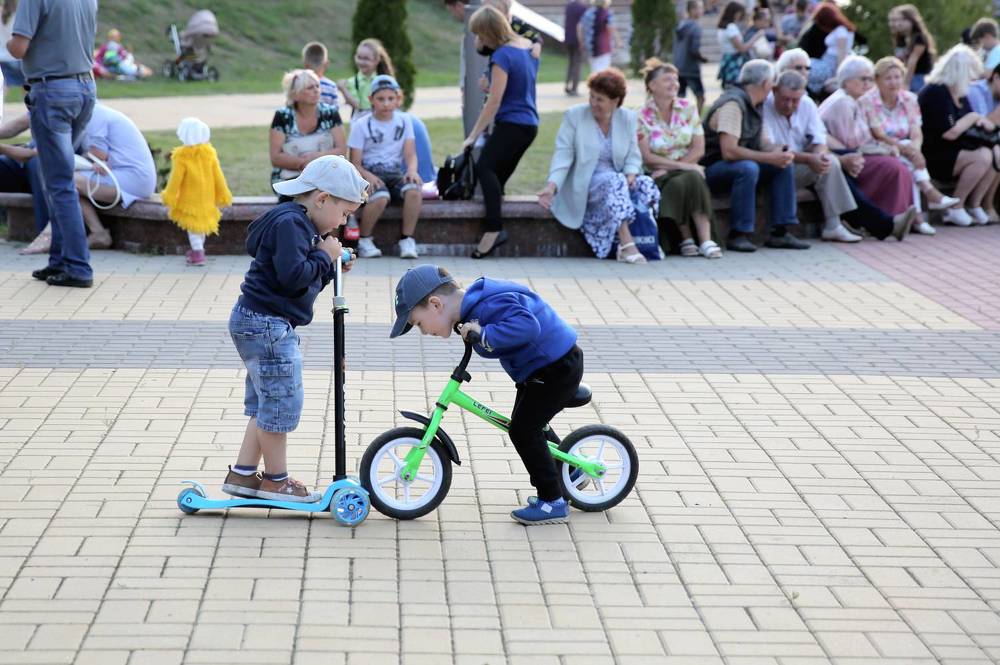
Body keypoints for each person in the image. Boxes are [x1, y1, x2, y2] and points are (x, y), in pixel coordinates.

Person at [389, 264, 582, 526]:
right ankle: (572, 472)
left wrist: (485, 333)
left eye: (419, 324)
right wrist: (478, 335)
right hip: (541, 369)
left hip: (556, 368)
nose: (424, 332)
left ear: (436, 304)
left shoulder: (488, 304)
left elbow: (528, 326)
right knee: (531, 423)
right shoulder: (474, 308)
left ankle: (552, 501)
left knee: (524, 430)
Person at [225, 155, 367, 504]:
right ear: (322, 199)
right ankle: (277, 481)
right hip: (267, 325)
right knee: (280, 402)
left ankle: (243, 474)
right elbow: (292, 277)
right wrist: (323, 256)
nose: (344, 222)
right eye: (344, 213)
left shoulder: (297, 224)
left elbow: (300, 283)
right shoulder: (292, 225)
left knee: (266, 401)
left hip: (262, 321)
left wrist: (327, 265)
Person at [765, 56, 917, 243]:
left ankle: (836, 225)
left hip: (805, 160)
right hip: (780, 165)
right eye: (785, 99)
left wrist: (820, 155)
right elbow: (774, 150)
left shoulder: (807, 103)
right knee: (879, 166)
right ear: (774, 91)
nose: (790, 105)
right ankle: (881, 224)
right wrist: (816, 158)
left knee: (831, 163)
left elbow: (819, 139)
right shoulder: (767, 106)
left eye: (795, 100)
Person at [11, 0, 97, 288]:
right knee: (58, 178)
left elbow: (18, 48)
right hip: (85, 87)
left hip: (52, 91)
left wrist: (8, 42)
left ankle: (78, 267)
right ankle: (59, 261)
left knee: (59, 183)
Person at [537, 68, 660, 263]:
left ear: (615, 101)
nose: (593, 103)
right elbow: (563, 155)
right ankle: (627, 245)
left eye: (600, 99)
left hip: (618, 181)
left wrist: (631, 173)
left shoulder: (627, 118)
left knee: (646, 184)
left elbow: (633, 154)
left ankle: (646, 239)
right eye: (592, 97)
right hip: (587, 183)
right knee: (614, 181)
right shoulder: (574, 116)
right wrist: (551, 186)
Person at [700, 59, 808, 252]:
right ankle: (739, 234)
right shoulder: (733, 104)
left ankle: (780, 232)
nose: (773, 86)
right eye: (772, 82)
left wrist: (778, 152)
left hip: (737, 165)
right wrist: (768, 158)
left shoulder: (756, 105)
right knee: (748, 168)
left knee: (782, 164)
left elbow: (763, 143)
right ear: (766, 83)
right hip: (712, 168)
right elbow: (729, 151)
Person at [462, 5, 539, 258]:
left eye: (479, 34)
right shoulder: (526, 47)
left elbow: (494, 102)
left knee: (485, 168)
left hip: (512, 123)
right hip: (530, 124)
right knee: (497, 181)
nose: (477, 39)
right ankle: (495, 227)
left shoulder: (502, 55)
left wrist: (473, 135)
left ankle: (494, 230)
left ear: (488, 33)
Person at [860, 56, 961, 233]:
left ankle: (919, 216)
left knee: (908, 164)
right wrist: (907, 150)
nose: (893, 82)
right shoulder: (868, 101)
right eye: (888, 78)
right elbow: (878, 134)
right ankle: (928, 197)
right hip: (878, 147)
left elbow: (916, 131)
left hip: (904, 151)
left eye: (897, 77)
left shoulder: (909, 99)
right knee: (908, 160)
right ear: (877, 80)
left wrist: (915, 150)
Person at [636, 59, 722, 258]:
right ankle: (702, 240)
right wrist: (685, 167)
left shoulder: (688, 108)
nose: (674, 84)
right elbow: (648, 157)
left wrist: (677, 167)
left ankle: (693, 240)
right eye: (667, 79)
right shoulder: (641, 115)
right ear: (652, 85)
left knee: (687, 179)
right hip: (656, 174)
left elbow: (698, 149)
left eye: (675, 79)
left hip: (676, 169)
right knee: (689, 178)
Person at [819, 56, 918, 227]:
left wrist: (884, 148)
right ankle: (892, 220)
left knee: (897, 164)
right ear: (847, 81)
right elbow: (850, 144)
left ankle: (898, 218)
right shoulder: (843, 102)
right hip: (840, 155)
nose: (868, 84)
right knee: (894, 167)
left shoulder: (856, 100)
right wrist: (882, 149)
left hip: (853, 154)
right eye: (863, 79)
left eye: (870, 79)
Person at [919, 45, 1000, 226]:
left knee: (991, 154)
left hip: (955, 150)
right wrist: (974, 117)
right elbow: (950, 132)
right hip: (935, 154)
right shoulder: (937, 92)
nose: (973, 79)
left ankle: (973, 205)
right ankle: (956, 207)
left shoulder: (958, 94)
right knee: (982, 157)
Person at [347, 75, 421, 259]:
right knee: (380, 197)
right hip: (369, 173)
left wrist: (412, 170)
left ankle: (407, 239)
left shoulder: (405, 121)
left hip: (394, 172)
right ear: (371, 99)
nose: (386, 104)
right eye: (380, 99)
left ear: (398, 99)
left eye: (390, 98)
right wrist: (368, 176)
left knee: (414, 190)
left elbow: (410, 154)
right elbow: (354, 163)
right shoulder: (361, 125)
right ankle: (364, 239)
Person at [72, 103, 157, 249]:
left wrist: (86, 158)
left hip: (133, 178)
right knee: (69, 181)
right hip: (130, 176)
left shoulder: (94, 115)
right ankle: (97, 233)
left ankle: (97, 233)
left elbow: (99, 155)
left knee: (67, 180)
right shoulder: (93, 113)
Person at [161, 117, 233, 266]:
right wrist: (223, 193)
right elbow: (218, 176)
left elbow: (175, 178)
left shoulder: (182, 156)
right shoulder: (210, 153)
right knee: (201, 226)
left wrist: (170, 195)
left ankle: (198, 252)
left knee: (193, 227)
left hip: (190, 200)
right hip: (207, 199)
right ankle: (197, 250)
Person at [270, 69, 347, 192]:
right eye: (310, 88)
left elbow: (341, 150)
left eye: (317, 86)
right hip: (289, 179)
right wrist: (303, 163)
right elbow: (275, 157)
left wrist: (316, 158)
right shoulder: (283, 116)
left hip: (326, 177)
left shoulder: (330, 113)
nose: (316, 90)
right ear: (295, 94)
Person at [799, 3, 855, 97]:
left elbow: (842, 57)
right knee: (800, 65)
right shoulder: (840, 30)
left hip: (829, 67)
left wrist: (837, 78)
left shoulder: (841, 32)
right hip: (826, 63)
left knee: (800, 68)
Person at [338, 38, 394, 118]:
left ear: (376, 60)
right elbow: (356, 105)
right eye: (359, 57)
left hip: (380, 119)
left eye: (366, 59)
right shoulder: (352, 82)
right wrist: (344, 90)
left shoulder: (383, 81)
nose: (361, 62)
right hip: (360, 121)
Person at [716, 1, 765, 88]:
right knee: (735, 86)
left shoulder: (723, 27)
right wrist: (756, 37)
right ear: (735, 13)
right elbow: (742, 48)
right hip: (734, 61)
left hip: (727, 58)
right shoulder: (730, 27)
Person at [889, 5, 935, 93]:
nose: (899, 23)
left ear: (912, 20)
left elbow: (913, 61)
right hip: (905, 75)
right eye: (897, 20)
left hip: (919, 77)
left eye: (902, 20)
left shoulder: (919, 37)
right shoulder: (901, 38)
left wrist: (906, 82)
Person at [673, 0, 708, 112]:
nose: (702, 10)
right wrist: (702, 59)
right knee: (700, 96)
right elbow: (694, 49)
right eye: (700, 8)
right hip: (691, 68)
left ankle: (677, 118)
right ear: (692, 10)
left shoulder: (681, 25)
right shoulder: (695, 27)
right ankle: (696, 120)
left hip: (678, 66)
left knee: (679, 97)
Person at [578, 0, 620, 74]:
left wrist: (581, 42)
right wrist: (618, 41)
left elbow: (579, 26)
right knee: (603, 70)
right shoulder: (607, 13)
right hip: (603, 46)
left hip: (590, 46)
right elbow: (611, 27)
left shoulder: (588, 13)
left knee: (594, 70)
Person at [302, 41, 339, 108]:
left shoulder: (300, 84)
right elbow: (335, 110)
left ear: (305, 64)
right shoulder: (331, 86)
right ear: (326, 64)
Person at [564, 0, 588, 96]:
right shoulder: (582, 8)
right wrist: (582, 41)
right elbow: (581, 25)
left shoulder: (569, 6)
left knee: (570, 63)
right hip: (578, 39)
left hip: (568, 37)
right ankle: (574, 88)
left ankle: (567, 85)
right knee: (577, 64)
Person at [0, 0, 22, 88]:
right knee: (27, 91)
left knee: (3, 89)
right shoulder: (20, 14)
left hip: (3, 58)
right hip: (19, 57)